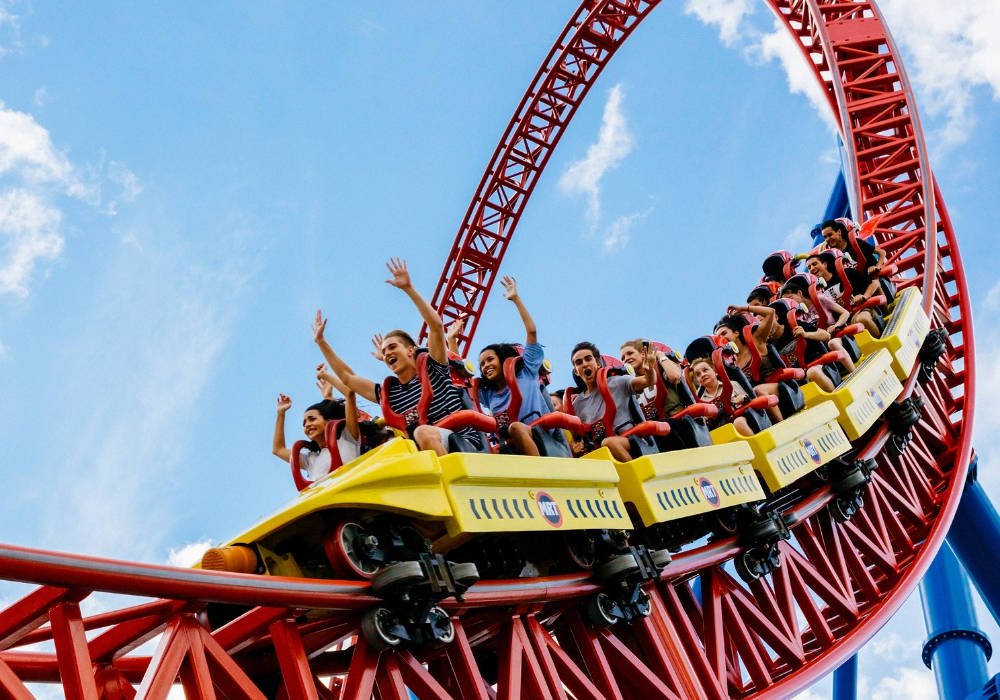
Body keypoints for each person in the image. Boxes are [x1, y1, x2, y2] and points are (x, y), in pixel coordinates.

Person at [313, 257, 483, 456]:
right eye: (384, 351)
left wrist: (409, 288)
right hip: (423, 451)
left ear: (411, 350)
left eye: (392, 347)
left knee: (423, 432)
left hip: (462, 444)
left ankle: (450, 480)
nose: (387, 353)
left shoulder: (433, 368)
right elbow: (347, 378)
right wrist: (321, 342)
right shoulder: (390, 394)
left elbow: (436, 327)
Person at [477, 276, 563, 456]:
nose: (486, 366)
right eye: (482, 364)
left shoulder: (526, 372)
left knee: (516, 428)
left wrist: (515, 299)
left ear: (502, 360)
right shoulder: (489, 393)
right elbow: (463, 381)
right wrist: (452, 340)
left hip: (541, 434)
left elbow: (532, 332)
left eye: (490, 360)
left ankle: (540, 477)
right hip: (512, 443)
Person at [570, 341, 655, 462]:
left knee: (609, 443)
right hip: (603, 453)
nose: (584, 364)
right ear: (576, 371)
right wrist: (576, 446)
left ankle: (635, 475)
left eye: (588, 359)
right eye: (579, 362)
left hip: (632, 442)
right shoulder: (576, 404)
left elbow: (648, 381)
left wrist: (649, 369)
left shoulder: (618, 382)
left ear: (598, 363)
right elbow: (578, 439)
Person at [272, 390, 361, 483]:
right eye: (304, 423)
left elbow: (350, 394)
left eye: (312, 419)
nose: (307, 425)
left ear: (328, 421)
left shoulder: (347, 437)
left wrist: (328, 395)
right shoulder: (311, 460)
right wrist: (281, 414)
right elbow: (278, 450)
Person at [713, 305, 784, 422]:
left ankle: (782, 423)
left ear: (736, 333)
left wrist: (745, 308)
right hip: (756, 399)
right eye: (718, 337)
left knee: (759, 391)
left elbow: (771, 312)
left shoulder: (756, 340)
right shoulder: (730, 364)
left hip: (778, 386)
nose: (722, 338)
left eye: (724, 333)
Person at [805, 252, 882, 337]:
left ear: (824, 264)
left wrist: (864, 296)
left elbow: (874, 283)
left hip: (862, 308)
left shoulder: (846, 273)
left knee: (862, 319)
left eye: (814, 264)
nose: (812, 268)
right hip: (844, 320)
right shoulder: (818, 292)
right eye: (809, 267)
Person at [689, 357, 754, 436]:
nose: (702, 374)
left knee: (739, 422)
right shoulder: (701, 401)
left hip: (740, 418)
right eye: (698, 374)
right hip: (720, 428)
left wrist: (742, 398)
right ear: (699, 382)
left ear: (715, 372)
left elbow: (749, 400)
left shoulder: (732, 384)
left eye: (705, 370)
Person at [821, 218, 886, 276]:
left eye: (830, 235)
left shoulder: (855, 243)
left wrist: (877, 267)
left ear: (839, 232)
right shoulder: (833, 256)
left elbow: (881, 252)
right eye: (825, 237)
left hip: (876, 278)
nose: (828, 239)